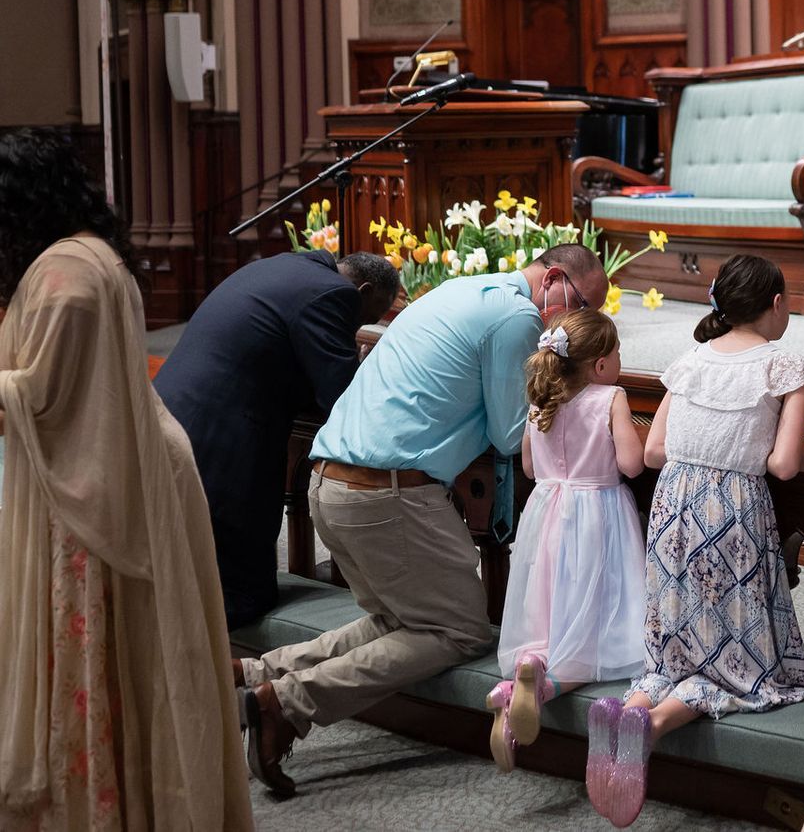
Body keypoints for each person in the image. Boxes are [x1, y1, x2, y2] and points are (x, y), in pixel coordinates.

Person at [237, 241, 608, 795]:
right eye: (582, 304)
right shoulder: (516, 317)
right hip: (385, 496)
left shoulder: (464, 289)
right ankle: (285, 704)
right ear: (553, 278)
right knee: (459, 631)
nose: (580, 319)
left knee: (401, 622)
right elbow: (512, 433)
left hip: (327, 483)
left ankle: (255, 675)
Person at [0, 128, 254, 829]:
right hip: (121, 460)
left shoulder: (63, 275)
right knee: (138, 656)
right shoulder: (88, 253)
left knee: (107, 654)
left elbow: (39, 395)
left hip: (99, 480)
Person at [591, 255, 804, 826]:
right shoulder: (787, 367)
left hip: (673, 503)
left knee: (674, 640)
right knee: (739, 667)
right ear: (777, 304)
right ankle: (655, 724)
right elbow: (785, 466)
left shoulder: (689, 361)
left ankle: (634, 704)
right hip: (731, 506)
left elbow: (652, 452)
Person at [157, 247, 399, 630]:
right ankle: (220, 661)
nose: (360, 325)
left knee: (185, 557)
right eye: (367, 317)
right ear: (363, 291)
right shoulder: (335, 293)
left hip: (174, 412)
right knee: (240, 588)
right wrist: (364, 367)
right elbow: (340, 396)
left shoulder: (284, 265)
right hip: (222, 436)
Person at [489, 307, 649, 775]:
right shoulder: (611, 397)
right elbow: (633, 463)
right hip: (598, 513)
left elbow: (529, 467)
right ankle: (542, 687)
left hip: (547, 513)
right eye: (617, 354)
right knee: (595, 619)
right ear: (600, 364)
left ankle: (523, 673)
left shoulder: (540, 400)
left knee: (550, 605)